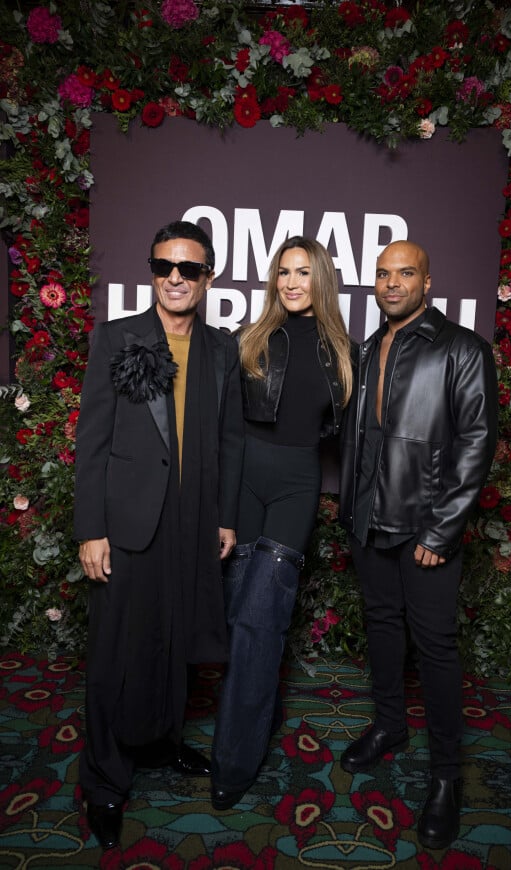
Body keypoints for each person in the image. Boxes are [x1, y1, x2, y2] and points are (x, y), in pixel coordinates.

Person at [73, 220, 244, 849]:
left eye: (189, 269)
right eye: (164, 267)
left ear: (208, 277)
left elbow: (228, 439)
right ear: (151, 272)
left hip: (193, 522)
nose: (175, 278)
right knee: (115, 655)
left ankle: (163, 743)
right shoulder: (118, 338)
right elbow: (90, 444)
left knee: (174, 642)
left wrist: (224, 516)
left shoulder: (221, 350)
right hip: (127, 524)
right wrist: (91, 529)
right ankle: (104, 781)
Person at [338, 240, 497, 850]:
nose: (392, 283)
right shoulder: (369, 347)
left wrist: (442, 529)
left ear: (427, 282)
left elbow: (476, 443)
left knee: (434, 647)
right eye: (382, 274)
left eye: (405, 273)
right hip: (369, 522)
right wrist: (352, 510)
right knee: (381, 625)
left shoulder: (461, 349)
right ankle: (388, 727)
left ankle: (446, 777)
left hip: (427, 528)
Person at [210, 236, 353, 810]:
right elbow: (224, 431)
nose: (292, 282)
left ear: (321, 279)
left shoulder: (344, 352)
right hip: (242, 482)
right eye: (283, 272)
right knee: (233, 616)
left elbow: (354, 438)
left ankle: (234, 760)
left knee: (260, 621)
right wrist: (221, 511)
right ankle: (253, 720)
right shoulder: (248, 339)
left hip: (297, 485)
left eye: (303, 272)